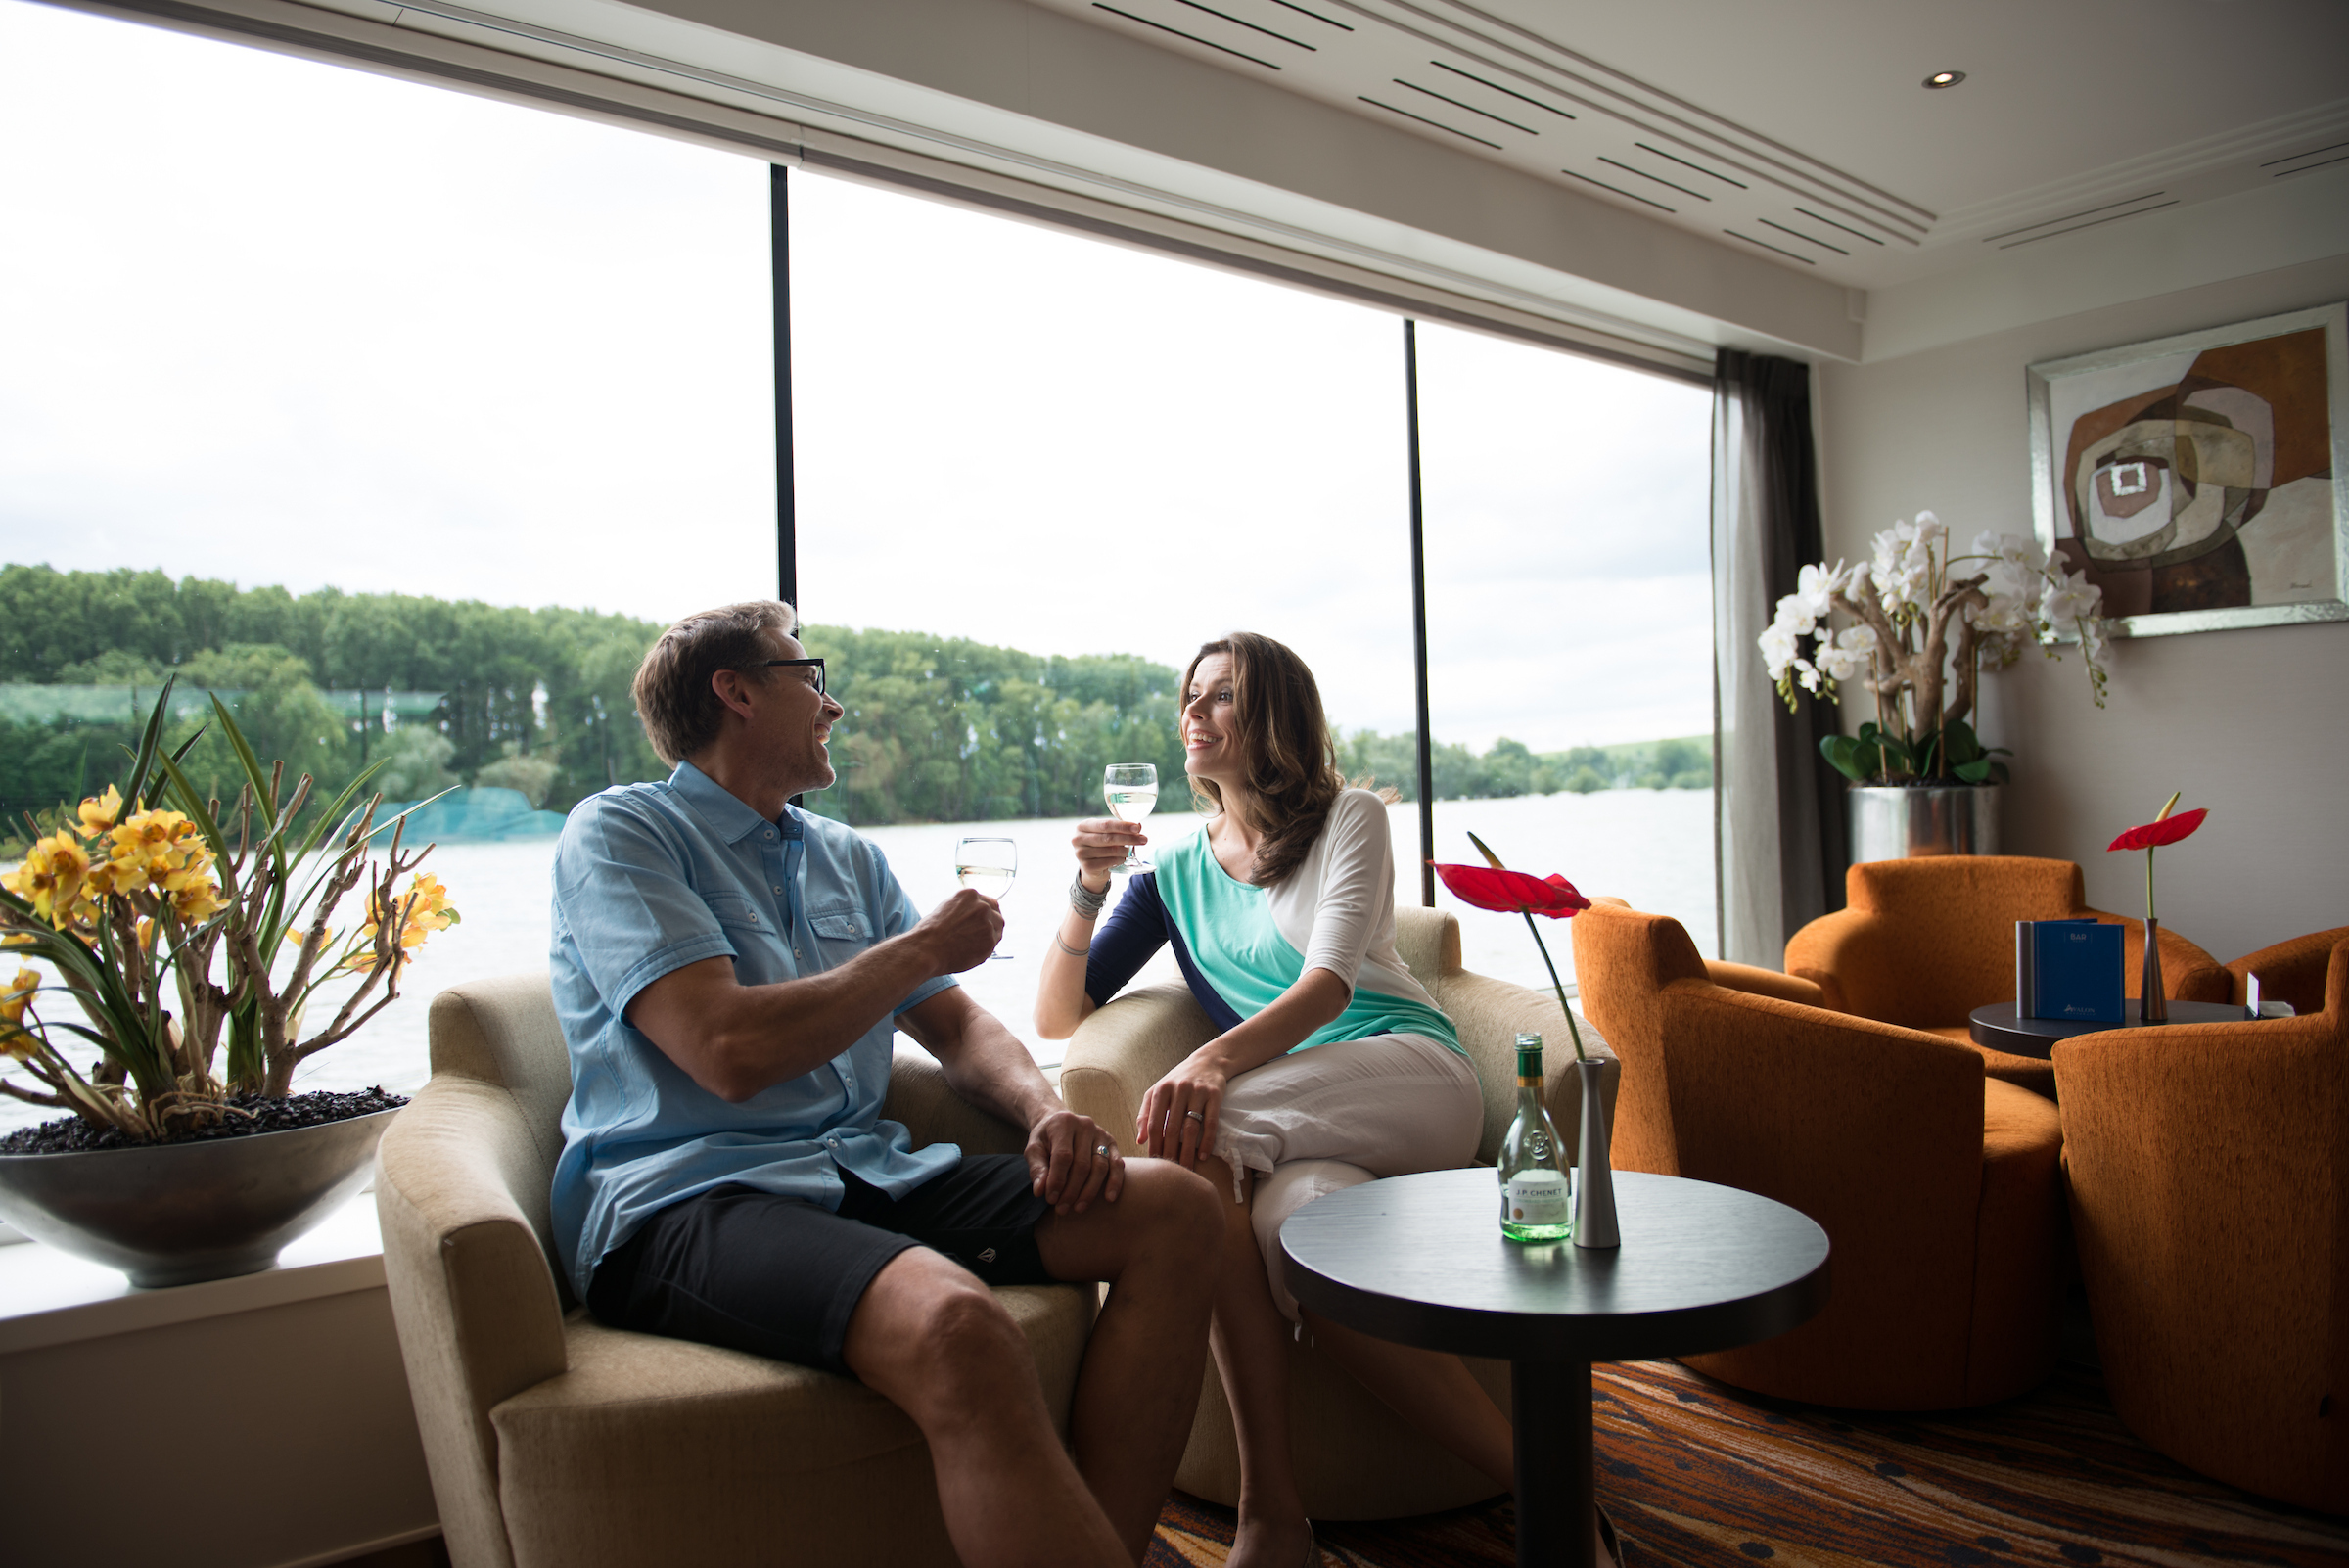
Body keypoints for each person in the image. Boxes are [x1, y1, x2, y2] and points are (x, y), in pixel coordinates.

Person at [547, 600, 1223, 1568]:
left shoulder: (847, 857)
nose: (833, 706)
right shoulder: (622, 832)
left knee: (1175, 1210)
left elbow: (958, 1027)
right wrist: (919, 948)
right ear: (735, 693)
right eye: (809, 677)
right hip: (690, 1199)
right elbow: (725, 1050)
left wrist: (1045, 1111)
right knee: (957, 1323)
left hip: (865, 1174)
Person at [1036, 632, 1514, 1568]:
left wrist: (1210, 1064)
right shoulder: (1175, 873)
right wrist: (1088, 888)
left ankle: (1266, 1507)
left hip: (1407, 1073)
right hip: (1301, 1126)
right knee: (1307, 1256)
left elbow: (1329, 987)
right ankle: (1549, 1488)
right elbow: (1060, 1017)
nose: (1193, 712)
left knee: (1190, 1133)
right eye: (1189, 696)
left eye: (1220, 695)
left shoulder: (1349, 818)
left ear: (1275, 717)